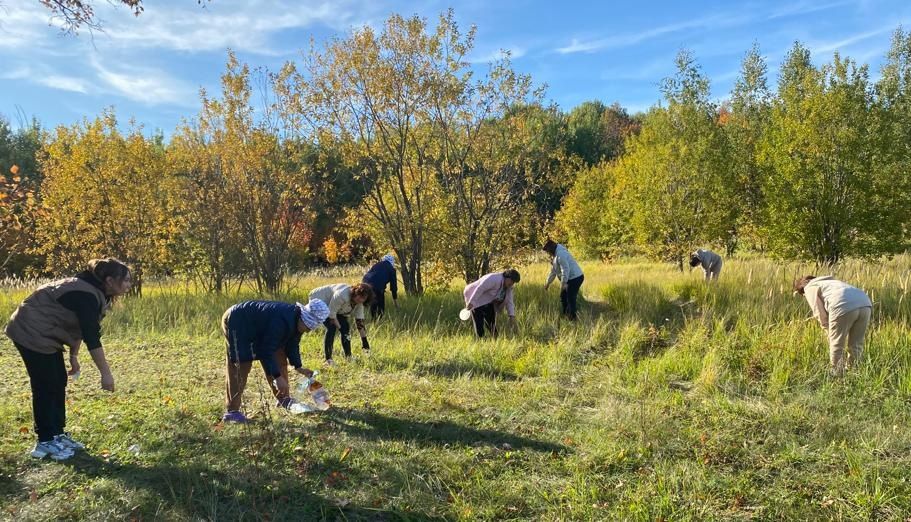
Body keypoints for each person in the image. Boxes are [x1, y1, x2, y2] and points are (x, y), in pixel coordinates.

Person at [5, 258, 132, 461]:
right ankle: (45, 442)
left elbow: (79, 327)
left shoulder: (94, 292)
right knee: (46, 384)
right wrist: (106, 374)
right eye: (125, 280)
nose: (128, 285)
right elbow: (92, 338)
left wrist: (73, 356)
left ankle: (57, 434)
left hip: (46, 333)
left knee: (58, 381)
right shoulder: (85, 294)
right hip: (29, 331)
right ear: (109, 280)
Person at [222, 298, 330, 423]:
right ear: (303, 317)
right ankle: (232, 412)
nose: (308, 330)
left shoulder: (296, 321)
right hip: (238, 320)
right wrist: (277, 377)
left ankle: (284, 399)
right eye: (308, 326)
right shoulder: (281, 321)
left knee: (279, 355)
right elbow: (266, 351)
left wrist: (298, 366)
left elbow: (292, 344)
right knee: (241, 364)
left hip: (259, 327)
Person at [794, 275, 873, 377]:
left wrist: (828, 330)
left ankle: (837, 375)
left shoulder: (809, 287)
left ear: (802, 290)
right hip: (865, 303)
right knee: (856, 344)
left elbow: (818, 312)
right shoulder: (830, 281)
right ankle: (854, 373)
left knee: (836, 344)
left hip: (841, 305)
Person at [309, 283, 374, 365]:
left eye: (363, 298)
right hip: (320, 299)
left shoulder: (359, 303)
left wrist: (365, 342)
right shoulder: (342, 295)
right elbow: (331, 314)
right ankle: (328, 359)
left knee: (346, 329)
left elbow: (359, 322)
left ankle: (348, 356)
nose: (360, 299)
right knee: (331, 327)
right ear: (355, 292)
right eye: (359, 296)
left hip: (335, 307)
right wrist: (340, 328)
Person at [463, 269, 520, 339]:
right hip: (474, 295)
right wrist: (471, 302)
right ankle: (481, 340)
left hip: (487, 300)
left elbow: (509, 301)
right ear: (507, 277)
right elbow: (480, 288)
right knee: (479, 324)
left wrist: (511, 315)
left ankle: (495, 340)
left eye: (514, 282)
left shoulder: (508, 287)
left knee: (491, 323)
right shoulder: (494, 279)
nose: (512, 283)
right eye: (512, 280)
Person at [542, 239, 585, 321]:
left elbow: (565, 270)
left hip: (575, 278)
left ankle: (572, 318)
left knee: (570, 298)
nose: (548, 253)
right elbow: (553, 271)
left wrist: (564, 283)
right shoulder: (555, 256)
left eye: (548, 251)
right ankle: (566, 315)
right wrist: (547, 283)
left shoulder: (561, 254)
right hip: (569, 278)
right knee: (563, 296)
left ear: (551, 249)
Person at [362, 254, 398, 319]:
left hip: (365, 282)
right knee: (380, 303)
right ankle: (379, 320)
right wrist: (395, 300)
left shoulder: (377, 265)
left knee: (373, 301)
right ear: (392, 262)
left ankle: (373, 319)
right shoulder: (391, 269)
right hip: (377, 286)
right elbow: (393, 286)